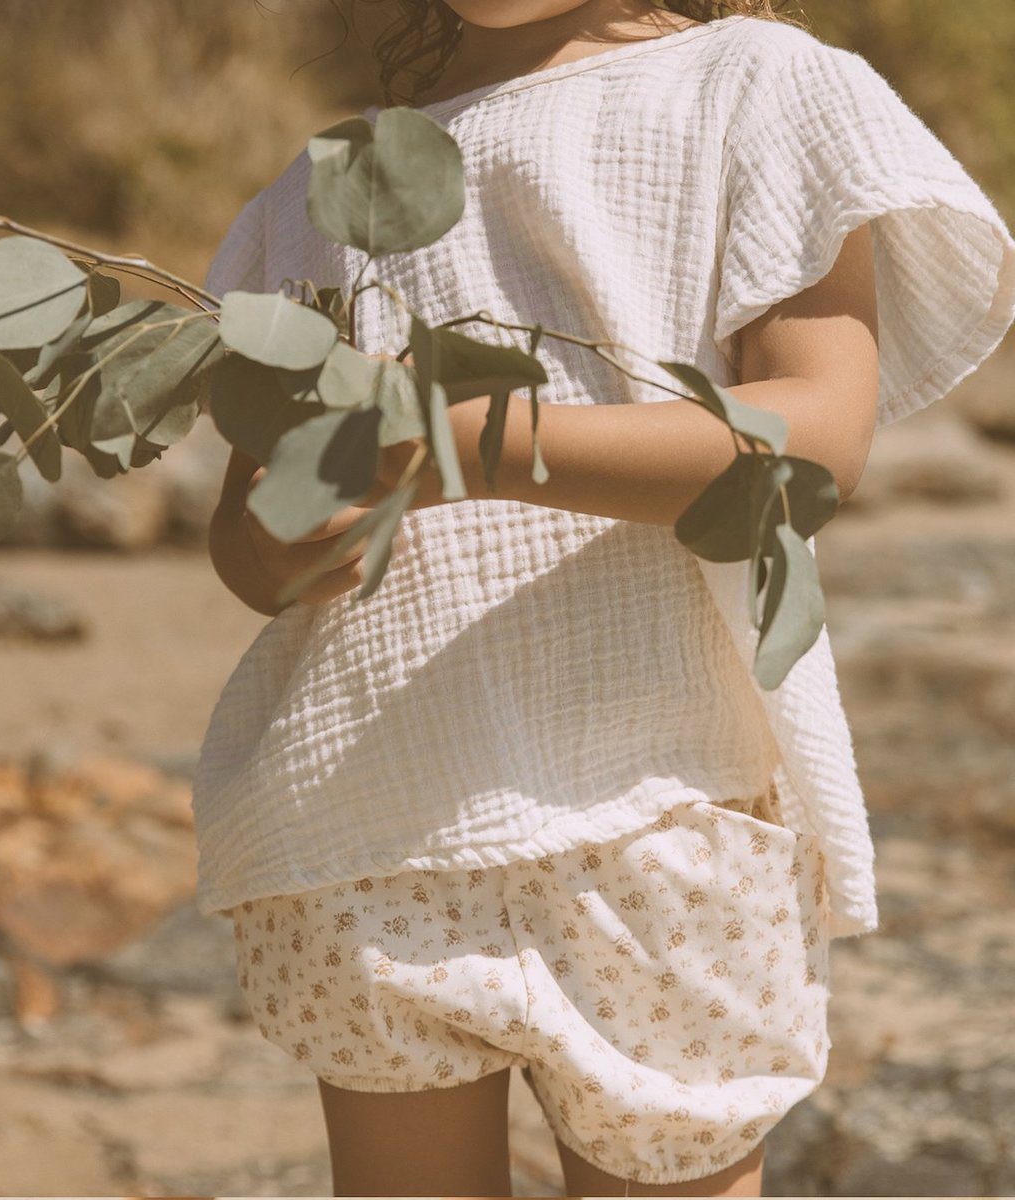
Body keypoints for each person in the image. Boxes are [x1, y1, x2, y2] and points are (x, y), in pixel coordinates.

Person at [198, 2, 1015, 1195]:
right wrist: (290, 543)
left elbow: (815, 441)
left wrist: (463, 446)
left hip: (658, 806)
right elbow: (245, 539)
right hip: (366, 827)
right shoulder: (330, 189)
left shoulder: (754, 87)